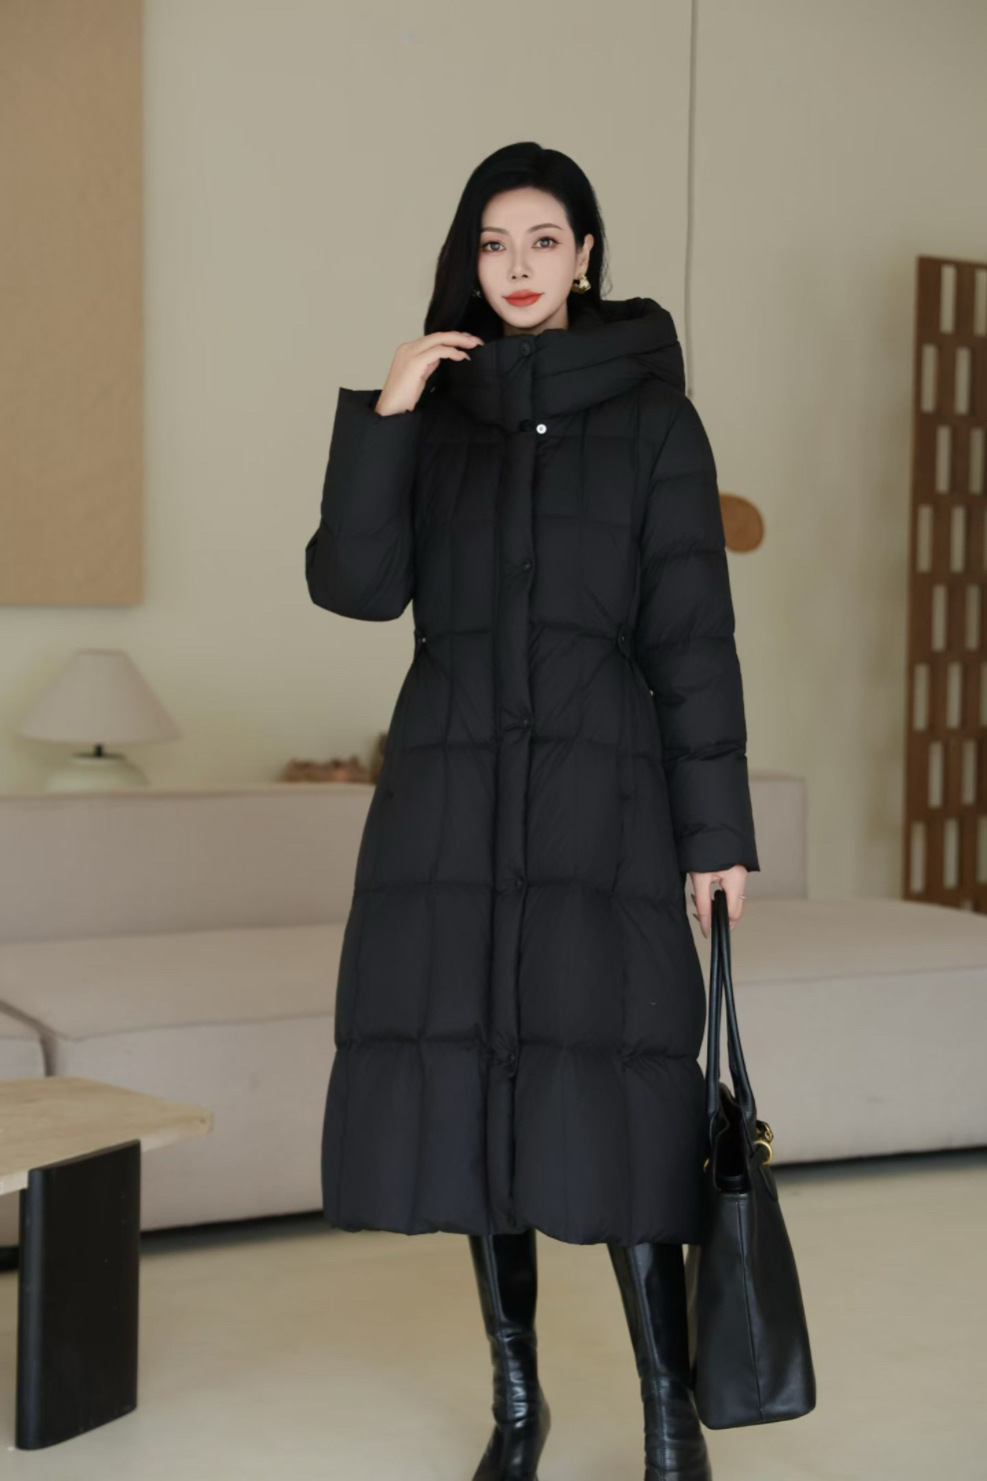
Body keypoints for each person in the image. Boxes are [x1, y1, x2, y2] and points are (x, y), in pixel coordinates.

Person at [305, 141, 759, 1481]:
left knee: (618, 1101)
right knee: (470, 1096)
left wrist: (715, 835)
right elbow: (353, 586)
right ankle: (519, 1404)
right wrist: (388, 411)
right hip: (450, 797)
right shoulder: (438, 416)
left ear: (586, 256)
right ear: (470, 255)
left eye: (544, 240)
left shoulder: (657, 422)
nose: (518, 266)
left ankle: (670, 1414)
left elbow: (693, 638)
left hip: (599, 800)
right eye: (494, 242)